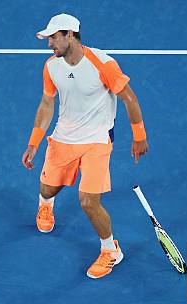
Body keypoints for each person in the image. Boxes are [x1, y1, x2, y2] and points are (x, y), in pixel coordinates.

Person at [22, 14, 149, 279]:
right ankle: (46, 204)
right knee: (47, 188)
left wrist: (139, 136)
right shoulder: (51, 66)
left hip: (97, 140)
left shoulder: (103, 64)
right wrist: (34, 142)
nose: (49, 45)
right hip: (64, 136)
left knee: (88, 202)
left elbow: (129, 98)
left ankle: (111, 250)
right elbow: (47, 104)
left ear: (70, 35)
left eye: (54, 38)